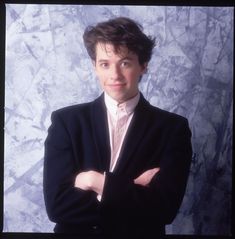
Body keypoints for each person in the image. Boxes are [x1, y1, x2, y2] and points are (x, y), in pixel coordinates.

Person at [43, 17, 192, 238]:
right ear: (95, 66)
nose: (115, 75)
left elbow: (164, 209)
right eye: (105, 64)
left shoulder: (173, 128)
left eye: (125, 62)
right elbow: (58, 206)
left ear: (143, 65)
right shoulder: (66, 122)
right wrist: (131, 187)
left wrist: (96, 181)